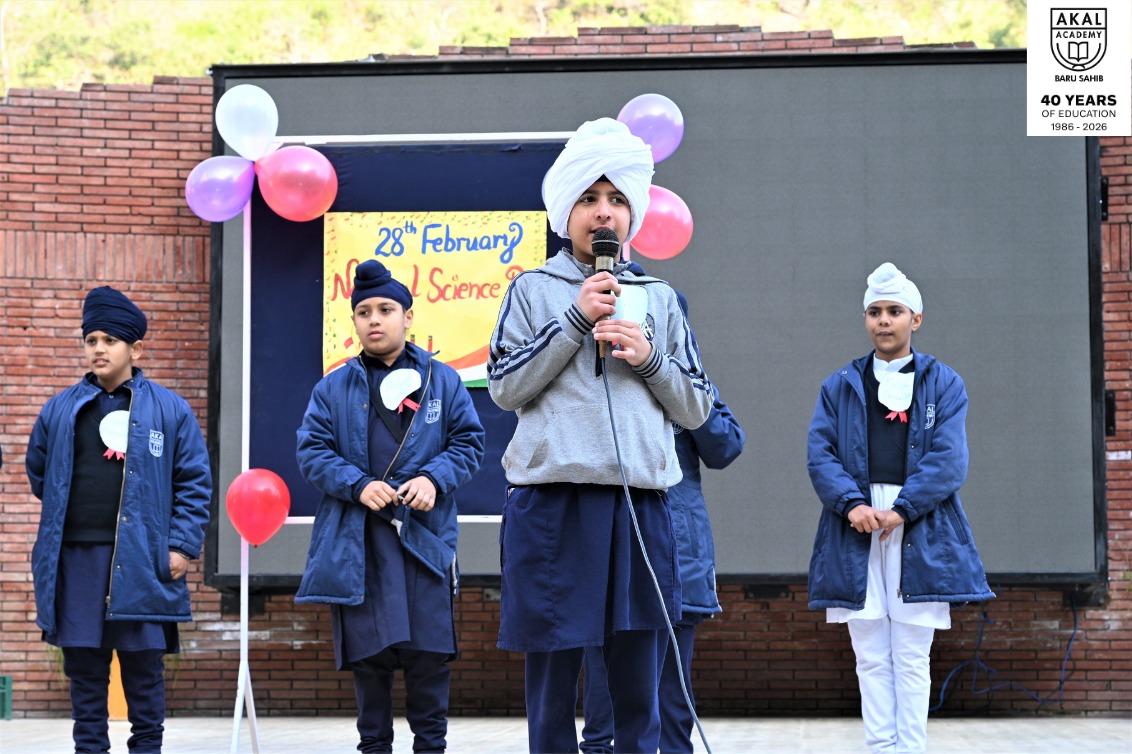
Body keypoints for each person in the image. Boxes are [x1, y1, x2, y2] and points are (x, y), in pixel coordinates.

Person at [487, 117, 713, 754]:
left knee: (637, 684)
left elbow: (697, 408)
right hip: (554, 505)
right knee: (554, 686)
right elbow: (504, 387)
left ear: (634, 215)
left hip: (640, 506)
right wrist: (574, 320)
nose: (603, 213)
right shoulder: (533, 289)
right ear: (565, 211)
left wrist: (649, 359)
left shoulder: (659, 297)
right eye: (589, 198)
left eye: (617, 200)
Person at [294, 259, 485, 754]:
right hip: (359, 544)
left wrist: (433, 478)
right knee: (370, 664)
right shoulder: (332, 387)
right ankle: (373, 746)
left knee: (428, 659)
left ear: (408, 316)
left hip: (422, 540)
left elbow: (469, 443)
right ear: (353, 322)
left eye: (385, 309)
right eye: (363, 311)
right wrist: (357, 484)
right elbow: (311, 451)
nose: (374, 319)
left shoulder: (443, 381)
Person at [805, 263, 995, 754]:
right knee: (868, 651)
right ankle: (880, 747)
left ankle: (910, 749)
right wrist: (851, 504)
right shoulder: (840, 385)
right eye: (874, 311)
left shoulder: (945, 383)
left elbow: (949, 460)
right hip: (856, 522)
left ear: (917, 319)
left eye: (894, 311)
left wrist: (903, 508)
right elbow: (820, 454)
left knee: (912, 652)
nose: (883, 321)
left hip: (919, 522)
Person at [26, 286, 213, 754]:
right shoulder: (60, 409)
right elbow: (39, 472)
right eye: (91, 340)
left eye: (110, 340)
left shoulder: (168, 410)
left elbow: (194, 481)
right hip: (76, 561)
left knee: (143, 671)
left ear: (136, 348)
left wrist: (181, 547)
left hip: (144, 561)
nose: (99, 349)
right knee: (85, 672)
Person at [580, 289, 746, 754]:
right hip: (610, 552)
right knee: (603, 707)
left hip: (677, 553)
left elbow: (726, 447)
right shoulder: (598, 381)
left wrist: (671, 382)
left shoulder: (690, 385)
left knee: (673, 707)